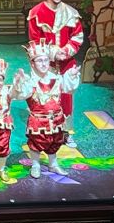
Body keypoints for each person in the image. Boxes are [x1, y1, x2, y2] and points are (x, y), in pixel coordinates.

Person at [27, 0, 84, 147]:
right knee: (44, 96)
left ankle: (65, 132)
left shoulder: (71, 14)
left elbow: (78, 37)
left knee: (66, 96)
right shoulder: (36, 13)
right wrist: (51, 54)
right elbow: (34, 40)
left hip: (66, 62)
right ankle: (43, 130)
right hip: (43, 64)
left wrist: (65, 52)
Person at [13, 41, 81, 178]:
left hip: (56, 120)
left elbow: (69, 88)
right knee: (36, 143)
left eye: (45, 60)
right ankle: (36, 165)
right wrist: (18, 84)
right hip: (38, 121)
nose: (43, 64)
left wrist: (72, 75)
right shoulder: (30, 81)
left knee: (55, 142)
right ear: (32, 63)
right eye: (39, 61)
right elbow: (19, 95)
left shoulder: (56, 78)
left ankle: (53, 164)